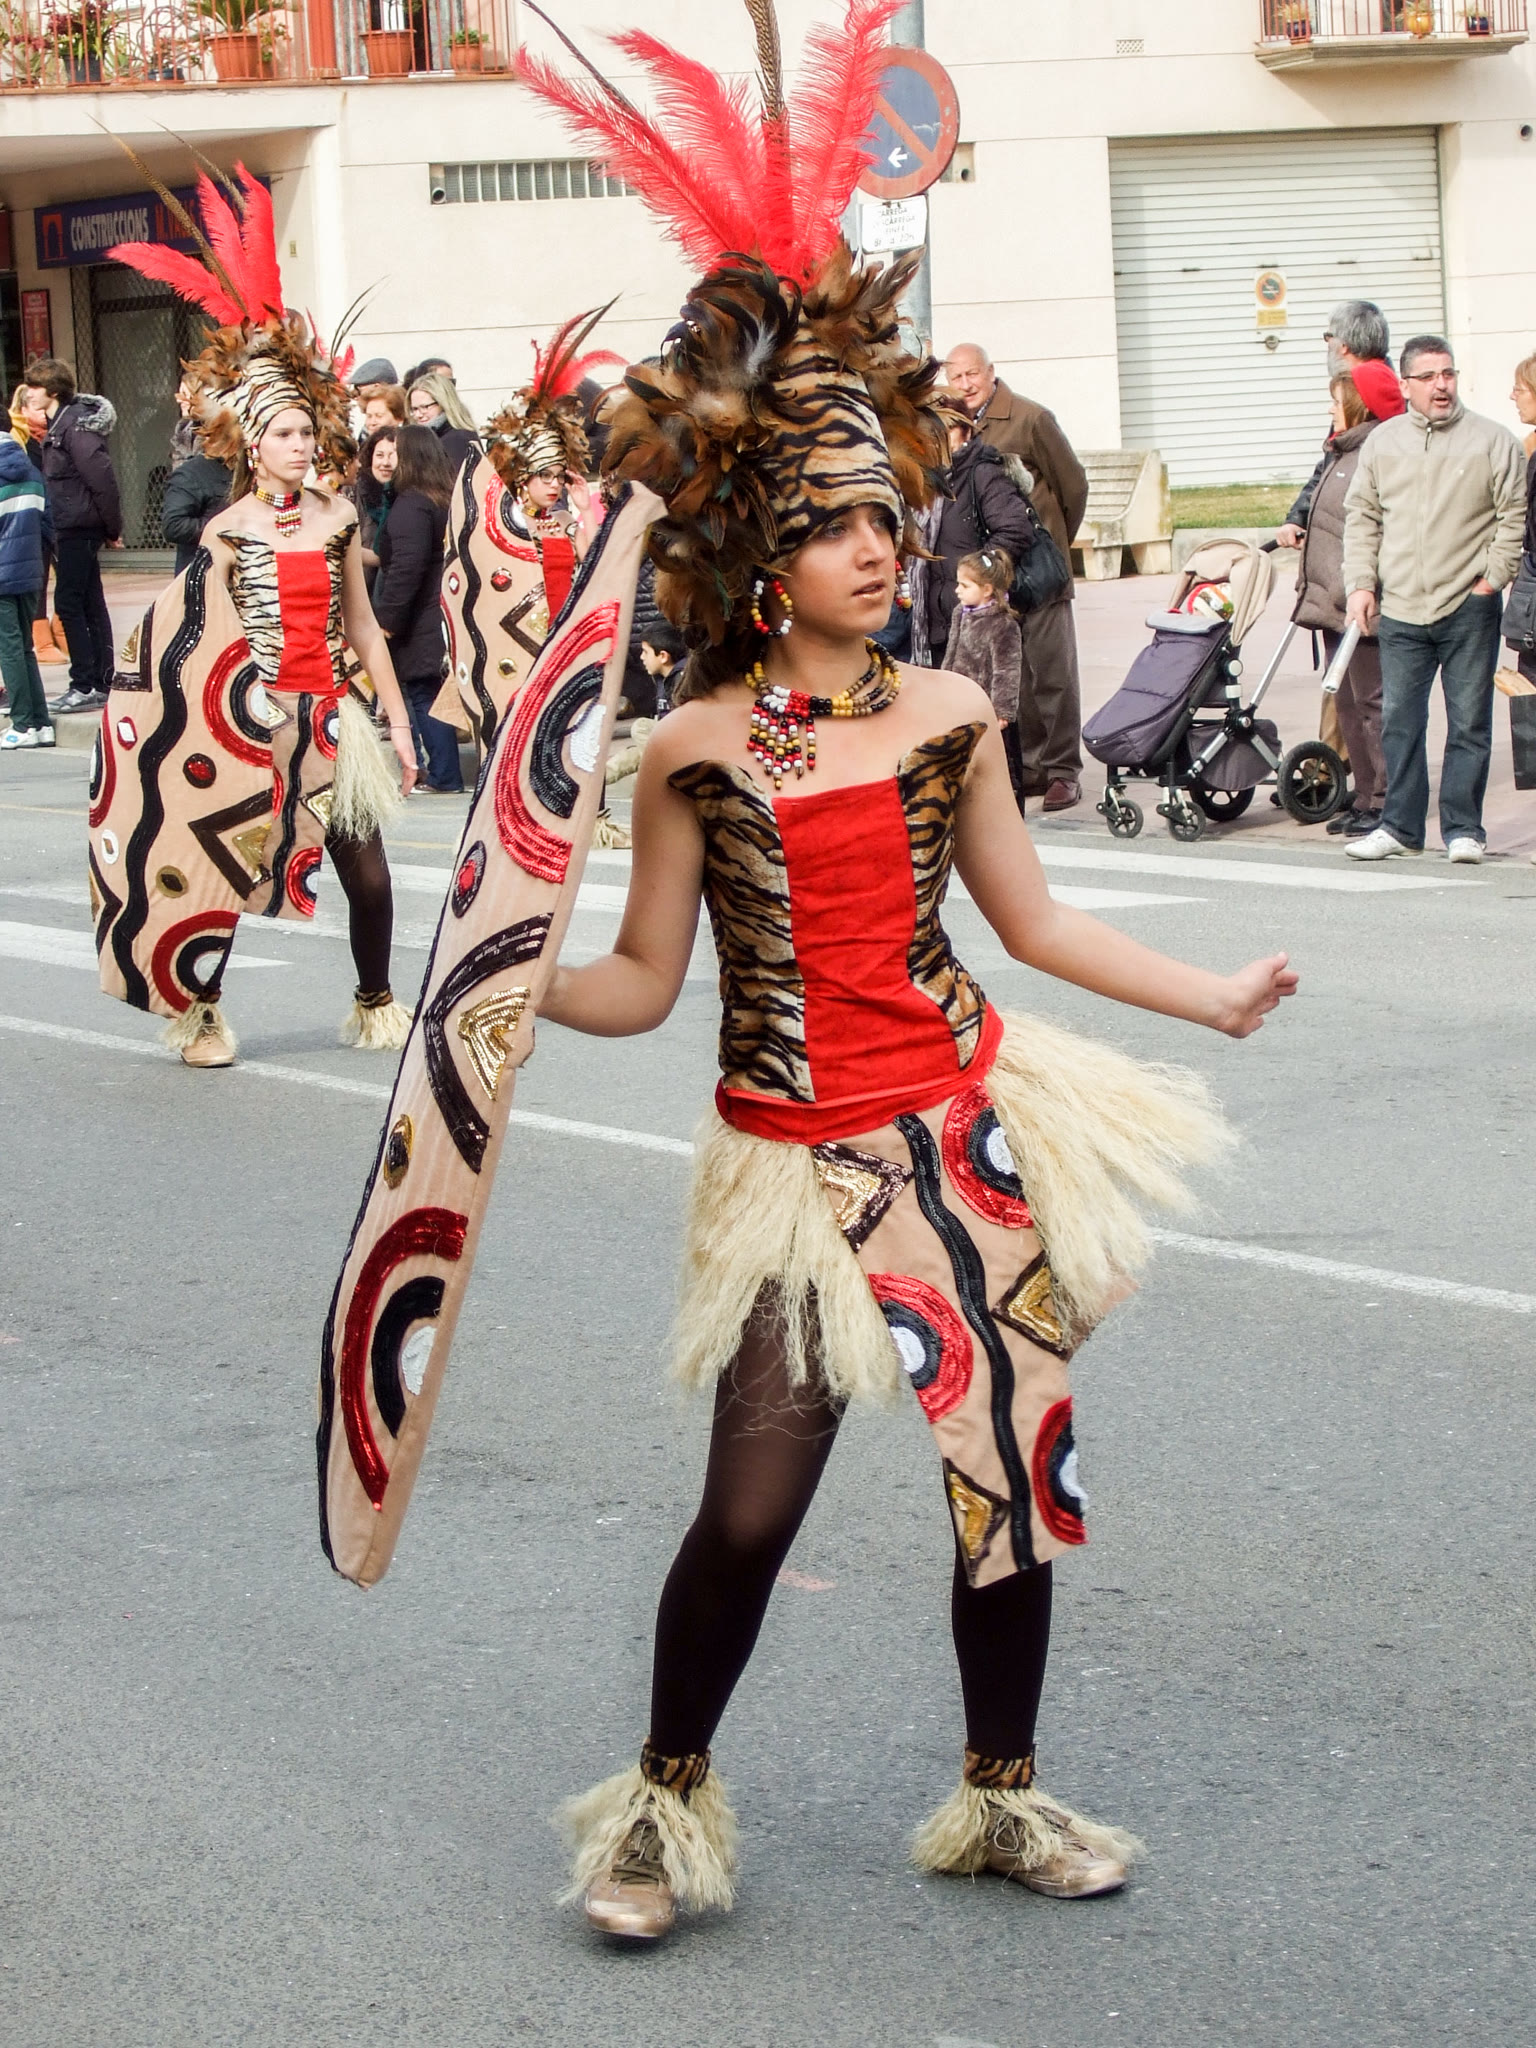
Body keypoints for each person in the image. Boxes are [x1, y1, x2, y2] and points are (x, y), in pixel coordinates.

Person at [486, 8, 1295, 1942]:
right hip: (788, 1159)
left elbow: (1034, 923)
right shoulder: (690, 751)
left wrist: (1207, 995)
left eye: (883, 517)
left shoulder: (945, 710)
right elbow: (642, 978)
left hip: (959, 1131)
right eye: (832, 525)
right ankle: (658, 1807)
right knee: (748, 1511)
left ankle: (1001, 1796)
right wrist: (503, 994)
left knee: (1005, 1476)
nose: (873, 546)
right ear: (761, 555)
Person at [94, 160, 419, 1068]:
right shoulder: (227, 529)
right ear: (254, 442)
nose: (302, 444)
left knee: (369, 877)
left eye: (308, 432)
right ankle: (200, 1015)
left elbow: (364, 629)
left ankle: (375, 1001)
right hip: (249, 724)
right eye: (285, 434)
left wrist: (397, 724)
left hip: (332, 719)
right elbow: (190, 640)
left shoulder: (340, 516)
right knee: (226, 874)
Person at [1343, 335, 1525, 864]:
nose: (1441, 385)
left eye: (1447, 374)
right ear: (1405, 385)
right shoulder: (1383, 443)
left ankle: (1464, 829)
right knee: (1400, 721)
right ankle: (1400, 827)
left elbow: (1513, 516)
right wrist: (1361, 584)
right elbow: (1363, 517)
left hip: (1469, 605)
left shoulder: (1492, 440)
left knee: (1469, 723)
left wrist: (1491, 579)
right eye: (1428, 377)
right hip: (1401, 607)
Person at [943, 342, 1087, 812]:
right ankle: (1031, 766)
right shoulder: (953, 423)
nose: (965, 384)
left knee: (1052, 671)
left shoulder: (1030, 418)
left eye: (972, 374)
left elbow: (1073, 486)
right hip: (994, 579)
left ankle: (1063, 769)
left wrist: (1056, 541)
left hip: (1037, 572)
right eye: (956, 376)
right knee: (1012, 674)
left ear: (991, 372)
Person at [1280, 359, 1404, 838]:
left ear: (1358, 405)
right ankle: (1364, 794)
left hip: (1362, 601)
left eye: (1336, 401)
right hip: (1333, 600)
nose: (1330, 410)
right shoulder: (1340, 451)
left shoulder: (1374, 454)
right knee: (1349, 704)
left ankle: (1386, 799)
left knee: (1373, 703)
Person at [28, 357, 122, 714]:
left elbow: (102, 479)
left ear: (52, 391)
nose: (30, 394)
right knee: (89, 602)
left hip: (78, 526)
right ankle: (101, 680)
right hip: (72, 524)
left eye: (35, 387)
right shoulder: (62, 424)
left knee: (69, 603)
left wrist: (112, 527)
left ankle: (84, 683)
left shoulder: (74, 426)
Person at [372, 423, 461, 793]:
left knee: (425, 693)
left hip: (421, 615)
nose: (389, 461)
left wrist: (387, 620)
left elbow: (406, 568)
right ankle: (445, 772)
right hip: (445, 608)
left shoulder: (412, 505)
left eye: (395, 453)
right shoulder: (446, 498)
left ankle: (443, 774)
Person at [1277, 300, 1394, 545]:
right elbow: (1331, 465)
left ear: (1344, 346)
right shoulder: (1379, 388)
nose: (1326, 345)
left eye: (1328, 337)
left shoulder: (1369, 396)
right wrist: (1298, 517)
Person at [0, 403, 56, 751]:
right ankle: (41, 723)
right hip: (30, 570)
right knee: (24, 647)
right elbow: (48, 523)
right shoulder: (31, 470)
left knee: (9, 648)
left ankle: (22, 723)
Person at [943, 546, 1022, 733]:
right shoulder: (960, 612)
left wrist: (1001, 711)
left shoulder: (1003, 625)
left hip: (982, 703)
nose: (957, 590)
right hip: (957, 698)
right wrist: (944, 682)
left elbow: (1007, 671)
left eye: (965, 586)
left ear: (987, 590)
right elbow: (951, 651)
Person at [160, 439, 233, 576]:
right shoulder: (193, 473)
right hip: (204, 573)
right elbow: (174, 526)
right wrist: (227, 527)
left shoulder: (256, 471)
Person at [406, 370, 480, 475]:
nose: (418, 415)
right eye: (414, 409)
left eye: (425, 407)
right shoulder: (425, 439)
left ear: (443, 403)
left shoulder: (458, 440)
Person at [354, 425, 398, 585]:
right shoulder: (355, 492)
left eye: (392, 456)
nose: (385, 463)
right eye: (379, 455)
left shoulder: (408, 499)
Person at [638, 620, 686, 715]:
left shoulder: (685, 682)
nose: (642, 657)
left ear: (663, 656)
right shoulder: (660, 677)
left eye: (646, 652)